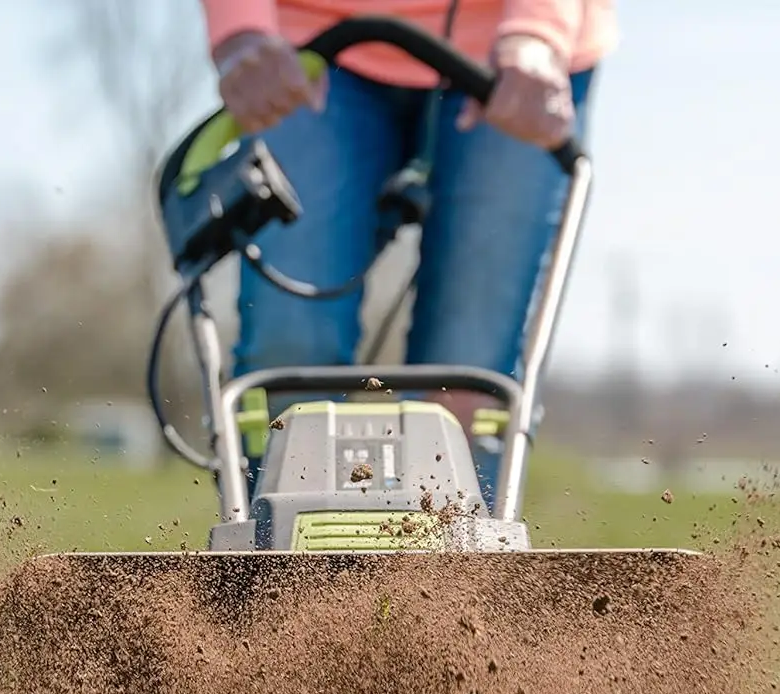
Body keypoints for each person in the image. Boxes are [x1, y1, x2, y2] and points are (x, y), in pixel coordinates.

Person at [198, 1, 615, 500]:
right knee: (291, 347)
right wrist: (239, 31)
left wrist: (539, 32)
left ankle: (455, 565)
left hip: (511, 51)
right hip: (306, 42)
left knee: (468, 375)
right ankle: (273, 556)